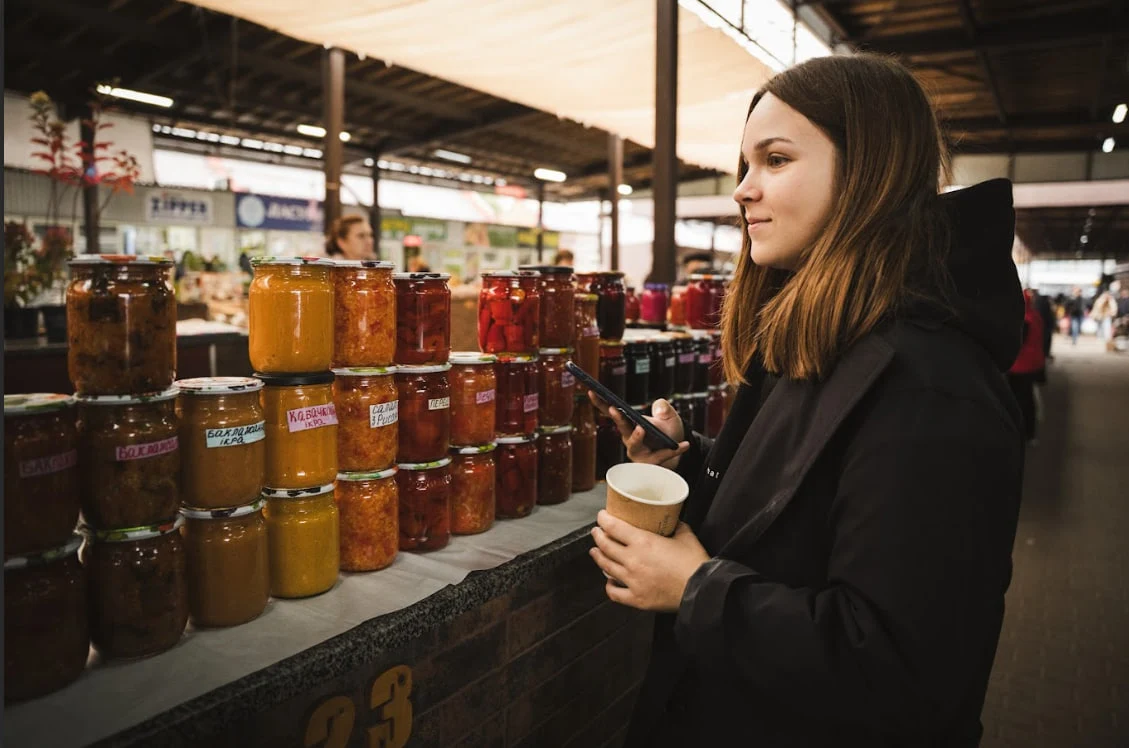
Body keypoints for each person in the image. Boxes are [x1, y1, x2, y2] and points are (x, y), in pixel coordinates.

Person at [586, 54, 1024, 747]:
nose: (741, 190)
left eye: (776, 160)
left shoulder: (932, 387)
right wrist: (691, 465)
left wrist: (695, 591)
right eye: (743, 164)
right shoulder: (825, 336)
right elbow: (798, 517)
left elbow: (902, 675)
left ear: (867, 175)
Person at [1009, 290, 1046, 444]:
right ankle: (1030, 434)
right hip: (1034, 363)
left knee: (1019, 401)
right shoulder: (1035, 316)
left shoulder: (1024, 319)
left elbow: (1017, 344)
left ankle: (1023, 433)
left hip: (1021, 366)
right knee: (1028, 399)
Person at [1031, 288, 1055, 362]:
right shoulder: (1042, 301)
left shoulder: (1036, 302)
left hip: (1042, 325)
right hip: (1045, 325)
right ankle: (1045, 353)